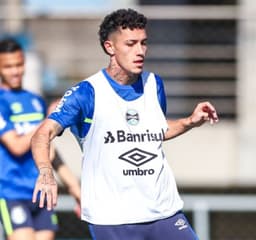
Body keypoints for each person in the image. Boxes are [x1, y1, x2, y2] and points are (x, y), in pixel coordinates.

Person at [31, 8, 219, 240]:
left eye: (143, 43)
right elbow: (42, 134)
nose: (140, 51)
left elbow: (154, 132)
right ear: (110, 47)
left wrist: (189, 122)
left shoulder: (154, 84)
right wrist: (46, 172)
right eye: (131, 44)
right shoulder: (86, 93)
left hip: (164, 212)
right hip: (113, 220)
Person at [0, 38, 80, 240]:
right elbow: (17, 146)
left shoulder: (35, 100)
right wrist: (47, 119)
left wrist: (74, 188)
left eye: (19, 64)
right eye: (8, 66)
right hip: (12, 194)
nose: (15, 71)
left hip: (42, 192)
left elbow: (49, 150)